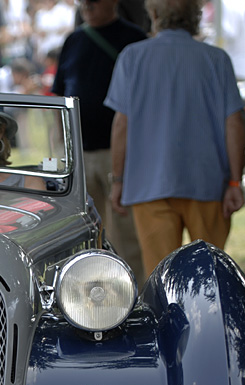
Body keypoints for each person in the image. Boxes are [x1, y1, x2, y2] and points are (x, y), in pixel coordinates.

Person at [105, 0, 245, 277]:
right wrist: (235, 181)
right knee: (210, 278)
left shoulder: (132, 57)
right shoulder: (216, 59)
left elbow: (122, 125)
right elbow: (234, 124)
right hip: (207, 183)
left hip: (148, 185)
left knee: (161, 279)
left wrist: (119, 180)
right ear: (194, 17)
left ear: (154, 15)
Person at [52, 0, 147, 282]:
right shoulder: (74, 40)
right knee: (82, 233)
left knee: (125, 234)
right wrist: (63, 146)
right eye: (83, 1)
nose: (87, 6)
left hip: (121, 154)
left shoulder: (134, 40)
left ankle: (135, 293)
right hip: (79, 153)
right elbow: (60, 96)